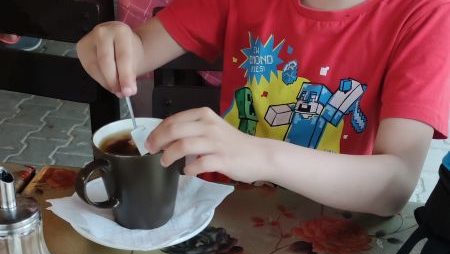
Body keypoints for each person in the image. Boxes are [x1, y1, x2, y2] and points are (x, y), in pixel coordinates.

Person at [76, 0, 450, 216]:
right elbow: (141, 48)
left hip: (334, 226)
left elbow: (395, 184)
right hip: (222, 214)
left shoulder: (426, 12)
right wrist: (112, 44)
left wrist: (261, 155)